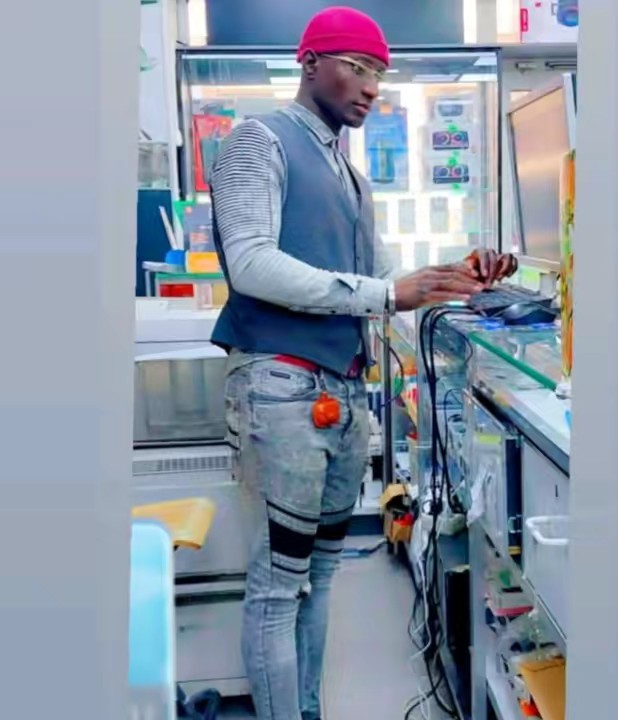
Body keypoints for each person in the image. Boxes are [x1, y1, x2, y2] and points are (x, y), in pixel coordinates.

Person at [209, 7, 517, 720]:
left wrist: (452, 278)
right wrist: (385, 292)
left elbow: (378, 284)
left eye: (380, 71)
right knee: (279, 584)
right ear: (310, 63)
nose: (373, 85)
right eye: (358, 67)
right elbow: (250, 263)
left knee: (319, 574)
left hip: (339, 395)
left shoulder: (350, 176)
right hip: (281, 385)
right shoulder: (259, 140)